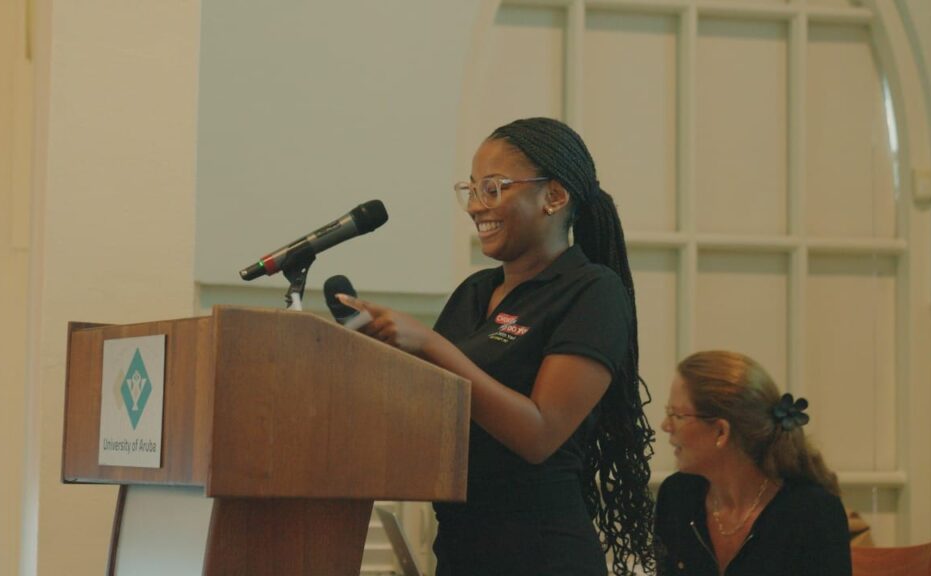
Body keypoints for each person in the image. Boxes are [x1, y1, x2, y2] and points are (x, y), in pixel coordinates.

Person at [337, 117, 655, 575]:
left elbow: (539, 434)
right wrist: (377, 357)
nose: (475, 206)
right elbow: (434, 414)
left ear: (554, 196)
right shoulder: (474, 292)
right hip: (461, 549)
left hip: (540, 554)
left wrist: (428, 343)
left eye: (493, 188)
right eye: (471, 189)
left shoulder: (591, 292)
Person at [654, 351, 851, 575]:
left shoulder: (813, 512)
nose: (665, 426)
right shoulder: (677, 496)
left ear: (721, 432)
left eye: (677, 415)